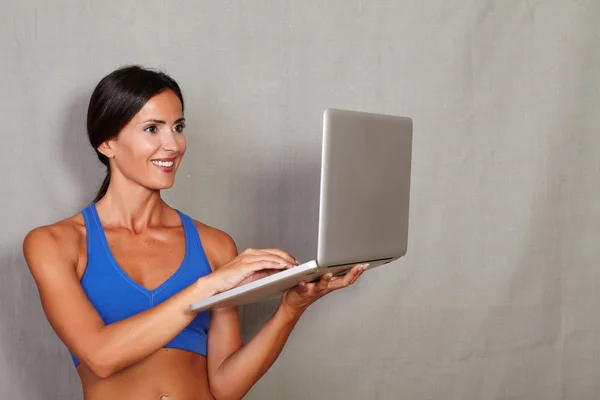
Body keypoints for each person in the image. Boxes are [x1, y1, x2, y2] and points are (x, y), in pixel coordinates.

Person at [22, 65, 368, 400]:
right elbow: (100, 356)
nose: (173, 145)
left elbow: (225, 387)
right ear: (107, 143)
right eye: (152, 129)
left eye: (178, 126)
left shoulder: (214, 245)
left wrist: (290, 310)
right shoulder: (55, 243)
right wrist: (206, 288)